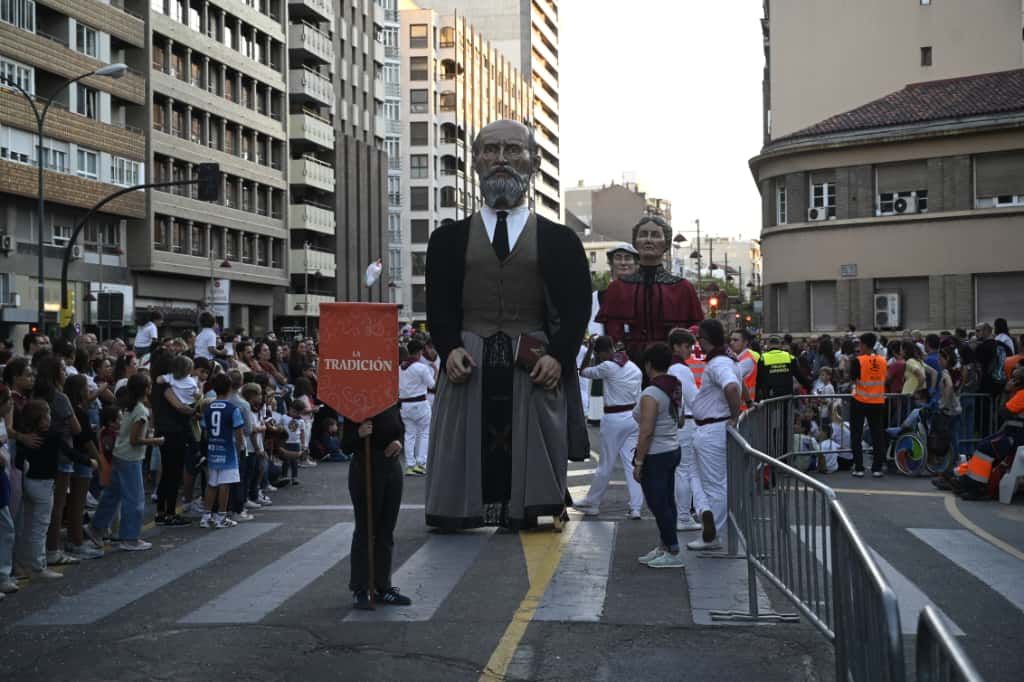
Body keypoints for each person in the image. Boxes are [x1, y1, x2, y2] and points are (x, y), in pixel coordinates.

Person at [424, 120, 591, 531]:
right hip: (470, 360)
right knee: (463, 439)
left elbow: (576, 308)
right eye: (491, 150)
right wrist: (449, 349)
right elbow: (439, 304)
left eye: (513, 151)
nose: (502, 160)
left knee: (534, 437)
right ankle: (462, 508)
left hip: (531, 363)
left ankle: (530, 506)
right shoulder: (447, 240)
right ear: (475, 161)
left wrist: (559, 355)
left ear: (534, 163)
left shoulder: (561, 240)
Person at [596, 215, 703, 362]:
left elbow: (694, 330)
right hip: (629, 367)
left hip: (672, 364)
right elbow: (612, 334)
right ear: (635, 242)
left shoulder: (683, 288)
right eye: (643, 235)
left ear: (666, 243)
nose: (648, 240)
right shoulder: (618, 288)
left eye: (655, 235)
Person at [342, 404, 410, 610]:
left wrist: (398, 441)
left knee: (386, 529)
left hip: (391, 467)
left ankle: (383, 586)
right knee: (365, 529)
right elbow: (345, 445)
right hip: (365, 468)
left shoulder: (390, 401)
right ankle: (360, 588)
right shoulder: (355, 406)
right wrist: (359, 434)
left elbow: (400, 429)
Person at [86, 374, 160, 551]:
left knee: (112, 495)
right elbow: (136, 440)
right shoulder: (141, 411)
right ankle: (130, 537)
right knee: (134, 499)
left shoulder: (129, 407)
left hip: (120, 455)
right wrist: (156, 440)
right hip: (130, 458)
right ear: (146, 390)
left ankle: (96, 528)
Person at [574, 336, 645, 519]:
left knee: (606, 463)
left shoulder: (607, 367)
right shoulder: (633, 367)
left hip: (614, 419)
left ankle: (593, 502)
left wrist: (589, 350)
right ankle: (636, 507)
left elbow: (583, 371)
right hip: (633, 418)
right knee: (631, 464)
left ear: (600, 353)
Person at [687, 319, 741, 551]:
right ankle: (706, 514)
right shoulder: (727, 360)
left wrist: (735, 415)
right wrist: (746, 402)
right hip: (710, 428)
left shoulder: (719, 363)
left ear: (704, 339)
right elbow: (737, 384)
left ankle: (712, 536)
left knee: (715, 485)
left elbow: (731, 387)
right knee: (696, 474)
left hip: (713, 428)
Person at [632, 343, 685, 569]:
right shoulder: (674, 386)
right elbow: (680, 419)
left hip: (657, 454)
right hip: (673, 448)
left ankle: (673, 550)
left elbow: (646, 432)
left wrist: (639, 462)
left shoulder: (651, 393)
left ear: (648, 364)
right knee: (667, 501)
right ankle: (665, 546)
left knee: (657, 503)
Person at [198, 373, 245, 529]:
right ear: (230, 388)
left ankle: (206, 516)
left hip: (213, 449)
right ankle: (221, 516)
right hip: (227, 449)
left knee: (212, 483)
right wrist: (240, 449)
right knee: (225, 484)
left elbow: (205, 432)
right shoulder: (233, 409)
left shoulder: (208, 408)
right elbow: (239, 434)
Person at [668, 328, 703, 532]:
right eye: (687, 346)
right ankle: (683, 516)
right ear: (676, 347)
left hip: (679, 423)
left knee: (681, 471)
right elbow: (694, 399)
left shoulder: (673, 368)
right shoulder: (681, 369)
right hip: (687, 423)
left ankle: (681, 514)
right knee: (686, 471)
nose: (690, 350)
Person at [849, 333, 888, 478]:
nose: (859, 347)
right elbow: (885, 378)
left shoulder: (857, 361)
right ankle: (877, 468)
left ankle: (859, 467)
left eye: (860, 344)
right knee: (878, 435)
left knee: (856, 435)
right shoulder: (883, 361)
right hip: (878, 402)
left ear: (864, 345)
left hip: (860, 401)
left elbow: (853, 378)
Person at [399, 339, 435, 477]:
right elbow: (432, 385)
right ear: (420, 352)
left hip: (405, 405)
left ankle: (410, 465)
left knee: (409, 435)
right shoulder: (421, 368)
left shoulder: (400, 368)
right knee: (424, 433)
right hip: (420, 404)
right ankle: (421, 464)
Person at [588, 243, 640, 336]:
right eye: (618, 258)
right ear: (611, 264)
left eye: (628, 258)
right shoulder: (597, 297)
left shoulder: (644, 295)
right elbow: (594, 331)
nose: (623, 263)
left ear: (636, 264)